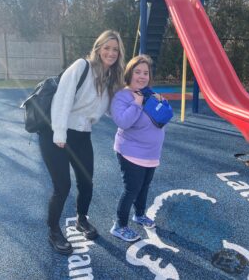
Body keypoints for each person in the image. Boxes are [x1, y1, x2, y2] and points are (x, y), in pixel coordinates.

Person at [39, 30, 125, 254]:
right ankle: (53, 231)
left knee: (87, 182)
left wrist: (136, 104)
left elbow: (110, 111)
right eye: (107, 47)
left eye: (115, 49)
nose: (111, 52)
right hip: (55, 133)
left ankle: (81, 219)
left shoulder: (110, 78)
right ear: (98, 48)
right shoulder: (81, 66)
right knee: (62, 187)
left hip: (82, 134)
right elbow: (63, 98)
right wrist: (59, 133)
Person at [110, 55, 166, 242]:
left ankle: (139, 214)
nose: (142, 76)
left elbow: (162, 118)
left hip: (151, 153)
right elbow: (123, 122)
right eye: (137, 72)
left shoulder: (150, 94)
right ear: (129, 73)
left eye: (146, 73)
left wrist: (162, 102)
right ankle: (119, 225)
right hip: (131, 152)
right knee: (131, 189)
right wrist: (136, 103)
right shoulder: (122, 96)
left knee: (144, 186)